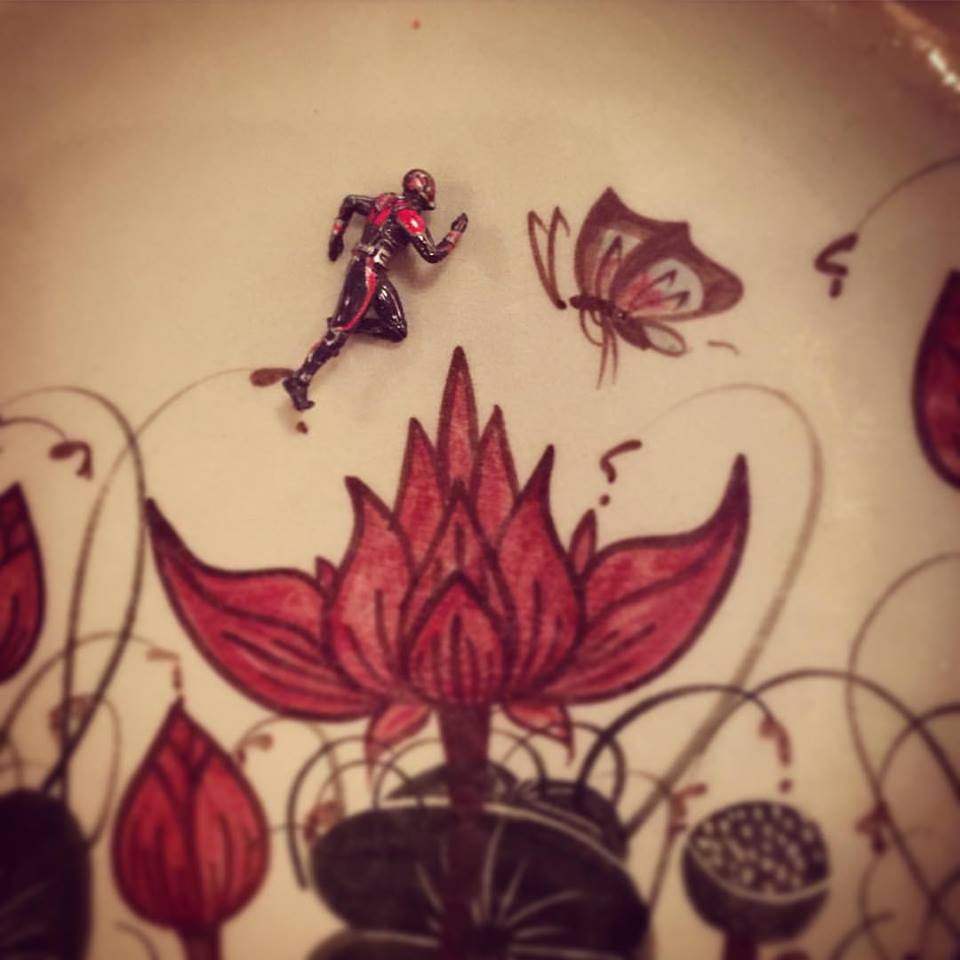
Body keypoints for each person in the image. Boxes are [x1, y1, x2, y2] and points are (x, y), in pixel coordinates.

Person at [283, 169, 468, 411]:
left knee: (396, 329)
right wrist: (455, 234)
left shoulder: (384, 202)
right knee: (339, 332)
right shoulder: (409, 216)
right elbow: (432, 254)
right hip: (368, 269)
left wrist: (336, 237)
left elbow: (350, 202)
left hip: (372, 271)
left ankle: (350, 325)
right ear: (424, 193)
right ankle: (300, 379)